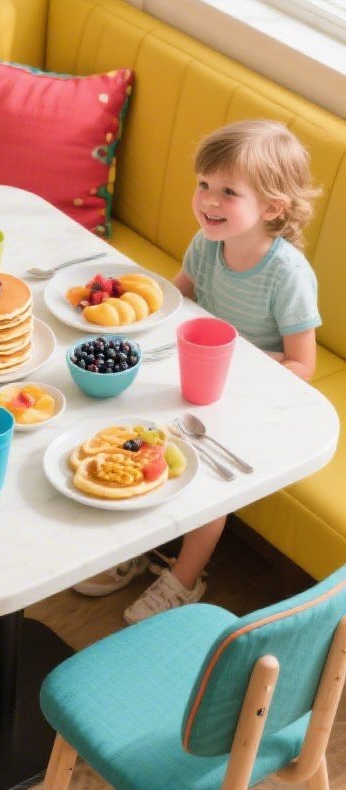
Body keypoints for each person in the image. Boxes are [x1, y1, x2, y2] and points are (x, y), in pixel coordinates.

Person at [75, 119, 321, 623]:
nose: (208, 199)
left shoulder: (287, 274)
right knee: (132, 435)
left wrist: (238, 363)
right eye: (204, 184)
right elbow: (177, 299)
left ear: (271, 208)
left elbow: (304, 364)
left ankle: (184, 580)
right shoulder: (207, 243)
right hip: (195, 378)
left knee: (207, 482)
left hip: (255, 394)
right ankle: (137, 543)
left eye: (227, 191)